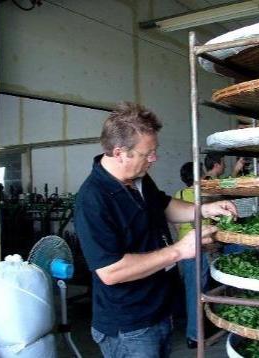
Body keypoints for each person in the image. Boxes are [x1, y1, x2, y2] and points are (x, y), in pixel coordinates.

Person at [74, 102, 237, 358]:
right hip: (130, 325)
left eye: (155, 150)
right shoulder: (93, 199)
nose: (154, 158)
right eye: (147, 153)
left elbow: (162, 205)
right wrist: (179, 251)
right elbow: (110, 271)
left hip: (159, 308)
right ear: (120, 153)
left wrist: (204, 210)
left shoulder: (138, 177)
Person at [173, 162, 216, 349]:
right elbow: (211, 222)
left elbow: (176, 226)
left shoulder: (179, 195)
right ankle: (194, 335)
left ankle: (198, 330)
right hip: (202, 248)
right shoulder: (205, 197)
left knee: (193, 290)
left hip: (185, 248)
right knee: (199, 292)